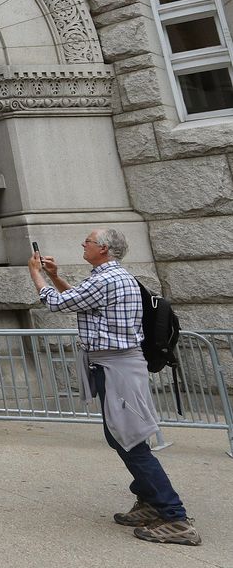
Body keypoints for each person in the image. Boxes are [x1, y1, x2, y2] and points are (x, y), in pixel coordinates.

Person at [29, 228, 200, 546]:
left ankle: (175, 517)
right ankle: (150, 502)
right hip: (115, 366)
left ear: (104, 248)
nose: (83, 244)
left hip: (118, 367)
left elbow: (55, 304)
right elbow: (79, 304)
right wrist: (54, 275)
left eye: (88, 241)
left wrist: (36, 274)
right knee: (120, 437)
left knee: (131, 441)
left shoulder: (106, 279)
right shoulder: (112, 277)